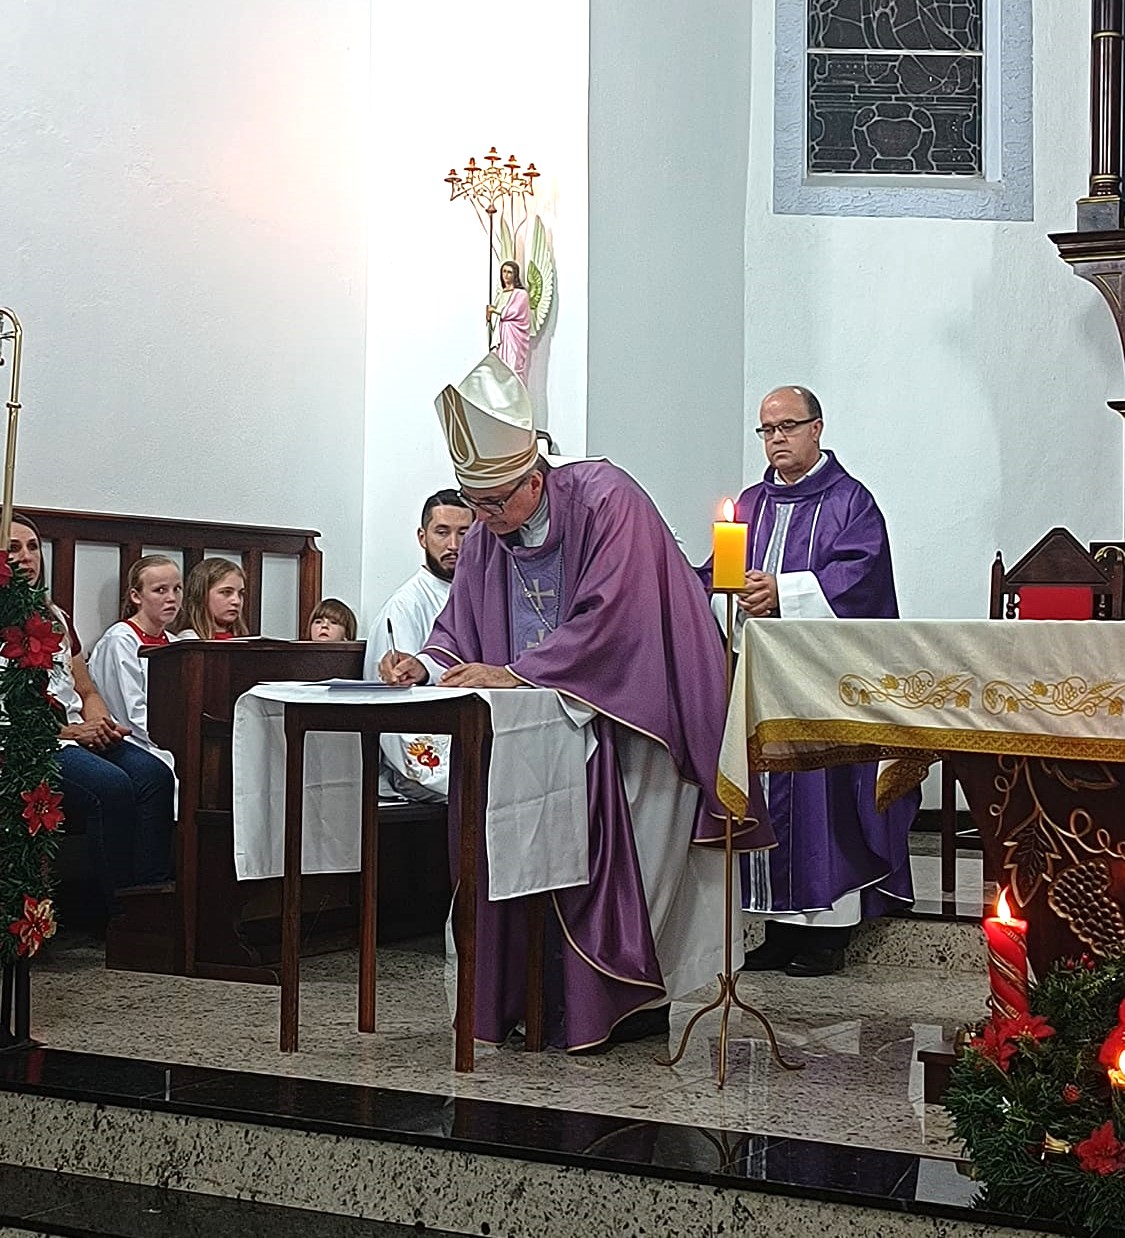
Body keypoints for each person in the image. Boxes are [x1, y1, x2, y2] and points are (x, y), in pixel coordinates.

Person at [380, 353, 774, 1052]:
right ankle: (538, 1000)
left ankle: (620, 1001)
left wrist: (521, 673)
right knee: (517, 851)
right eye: (475, 506)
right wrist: (427, 662)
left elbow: (616, 619)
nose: (485, 521)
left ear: (536, 474)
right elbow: (457, 628)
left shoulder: (605, 498)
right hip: (541, 727)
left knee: (631, 867)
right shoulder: (489, 529)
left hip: (639, 714)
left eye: (497, 502)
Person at [699, 385, 918, 977]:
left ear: (817, 429)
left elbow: (862, 580)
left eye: (788, 426)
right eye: (767, 430)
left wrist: (786, 592)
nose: (776, 440)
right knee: (769, 798)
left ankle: (829, 932)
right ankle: (777, 925)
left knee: (824, 801)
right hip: (763, 677)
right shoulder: (749, 503)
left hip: (825, 682)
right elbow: (719, 577)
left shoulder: (851, 502)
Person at [7, 516, 175, 912]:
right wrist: (71, 732)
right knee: (111, 786)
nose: (28, 557)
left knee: (154, 775)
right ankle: (117, 909)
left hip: (78, 730)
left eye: (33, 547)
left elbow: (84, 688)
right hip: (32, 743)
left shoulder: (55, 616)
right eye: (14, 549)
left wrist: (98, 721)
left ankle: (147, 902)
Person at [363, 490, 472, 801]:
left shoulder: (479, 597)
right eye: (442, 532)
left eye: (464, 532)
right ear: (422, 537)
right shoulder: (404, 608)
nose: (454, 545)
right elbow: (395, 704)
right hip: (424, 767)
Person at [87, 555, 182, 772]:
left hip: (168, 739)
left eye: (177, 589)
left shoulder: (176, 643)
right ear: (136, 596)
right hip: (131, 741)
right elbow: (129, 713)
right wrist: (177, 739)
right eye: (160, 590)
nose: (172, 598)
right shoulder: (120, 641)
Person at [175, 558, 247, 639]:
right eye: (226, 592)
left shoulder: (246, 641)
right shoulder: (189, 641)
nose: (237, 601)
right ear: (202, 595)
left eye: (241, 593)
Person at [486, 260, 530, 383]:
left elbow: (514, 311)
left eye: (509, 272)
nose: (506, 275)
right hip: (501, 333)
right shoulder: (501, 294)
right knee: (500, 367)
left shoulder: (521, 294)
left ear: (515, 275)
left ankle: (517, 398)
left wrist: (495, 310)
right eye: (504, 272)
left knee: (513, 367)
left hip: (514, 335)